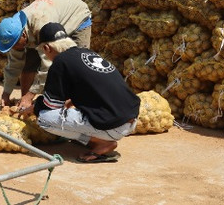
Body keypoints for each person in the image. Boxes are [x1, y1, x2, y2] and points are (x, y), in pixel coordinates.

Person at [27, 22, 140, 163]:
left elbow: (50, 107)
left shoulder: (60, 62)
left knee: (45, 118)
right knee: (67, 110)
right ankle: (96, 139)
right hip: (130, 118)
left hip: (114, 125)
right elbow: (93, 87)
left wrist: (35, 106)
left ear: (47, 48)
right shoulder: (87, 53)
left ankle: (102, 143)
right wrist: (70, 101)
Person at [0, 0, 92, 110]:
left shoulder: (40, 24)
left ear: (23, 35)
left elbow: (49, 66)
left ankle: (70, 107)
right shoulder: (13, 31)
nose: (14, 48)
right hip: (50, 20)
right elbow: (14, 65)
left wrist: (31, 95)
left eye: (15, 44)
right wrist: (6, 93)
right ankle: (25, 103)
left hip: (76, 18)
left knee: (75, 64)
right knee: (29, 63)